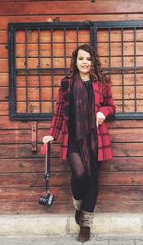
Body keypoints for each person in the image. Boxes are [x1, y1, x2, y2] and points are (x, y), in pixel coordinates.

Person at [42, 44, 116, 242]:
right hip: (73, 136)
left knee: (92, 180)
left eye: (88, 59)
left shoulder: (102, 83)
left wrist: (103, 112)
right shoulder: (66, 84)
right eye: (81, 58)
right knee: (80, 174)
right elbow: (59, 111)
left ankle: (85, 225)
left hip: (96, 137)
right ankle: (79, 207)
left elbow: (111, 106)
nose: (85, 62)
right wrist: (52, 134)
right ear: (75, 61)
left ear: (93, 62)